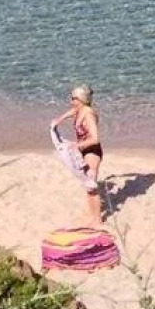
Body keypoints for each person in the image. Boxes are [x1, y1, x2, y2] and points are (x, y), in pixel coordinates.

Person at [52, 84, 104, 224]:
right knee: (87, 184)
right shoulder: (78, 109)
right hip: (83, 150)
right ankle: (91, 215)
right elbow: (72, 112)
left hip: (92, 150)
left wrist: (76, 145)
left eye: (73, 98)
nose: (71, 101)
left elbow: (95, 138)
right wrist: (59, 120)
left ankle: (97, 220)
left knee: (91, 184)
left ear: (81, 99)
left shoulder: (88, 114)